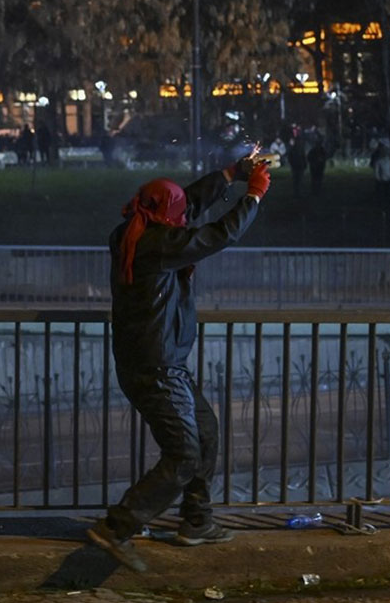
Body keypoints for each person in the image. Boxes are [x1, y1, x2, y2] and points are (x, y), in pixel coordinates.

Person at [87, 155, 272, 573]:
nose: (183, 217)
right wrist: (254, 194)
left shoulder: (132, 232)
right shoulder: (158, 246)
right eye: (178, 215)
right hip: (156, 368)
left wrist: (229, 175)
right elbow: (217, 234)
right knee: (184, 454)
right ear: (164, 218)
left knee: (205, 432)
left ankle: (196, 521)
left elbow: (184, 203)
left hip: (160, 363)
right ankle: (117, 527)